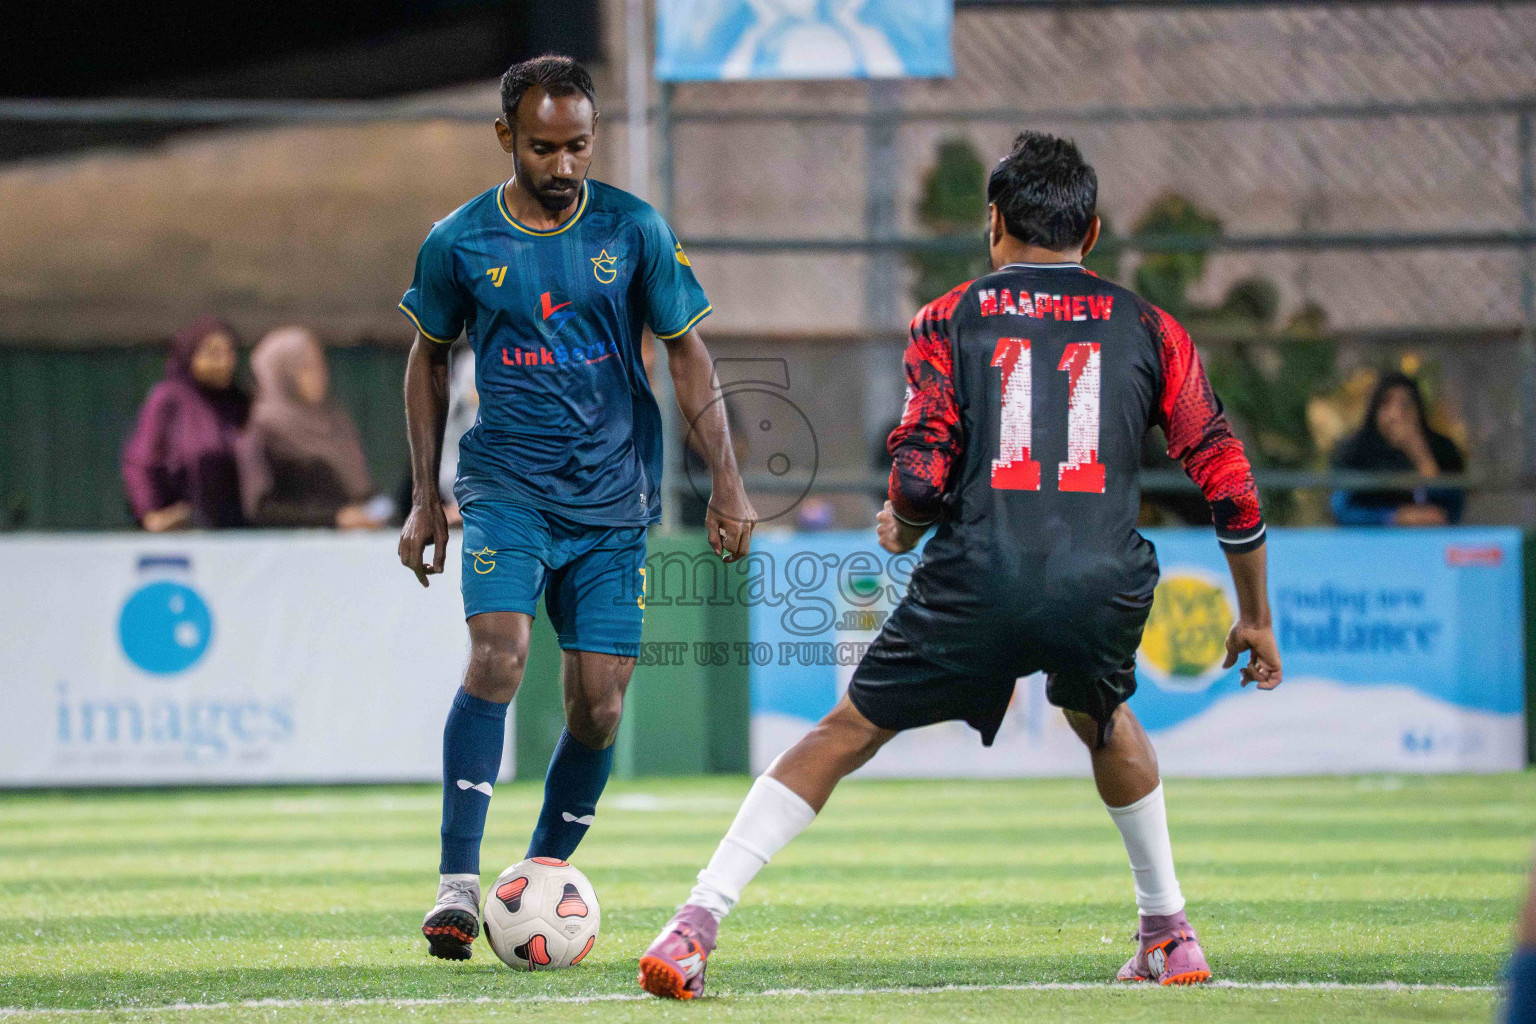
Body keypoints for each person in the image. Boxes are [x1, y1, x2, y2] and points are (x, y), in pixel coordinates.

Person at [638, 132, 1283, 999]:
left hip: (984, 572)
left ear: (993, 224)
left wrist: (903, 527)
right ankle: (1169, 932)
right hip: (1103, 579)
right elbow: (1226, 474)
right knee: (1105, 717)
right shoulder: (1152, 328)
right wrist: (1256, 615)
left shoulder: (948, 319)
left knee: (847, 732)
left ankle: (694, 925)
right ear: (1091, 233)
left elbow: (922, 470)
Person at [395, 55, 754, 961]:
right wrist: (423, 497)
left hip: (610, 499)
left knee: (599, 706)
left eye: (580, 148)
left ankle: (538, 880)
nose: (564, 167)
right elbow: (428, 358)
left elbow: (687, 354)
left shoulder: (634, 229)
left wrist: (729, 480)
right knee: (499, 653)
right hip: (506, 490)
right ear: (507, 137)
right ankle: (458, 883)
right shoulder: (459, 241)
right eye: (545, 148)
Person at [237, 327, 391, 529]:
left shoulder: (335, 422)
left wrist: (382, 511)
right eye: (305, 367)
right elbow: (260, 508)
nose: (319, 375)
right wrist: (335, 518)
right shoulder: (262, 429)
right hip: (291, 552)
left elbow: (364, 492)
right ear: (279, 372)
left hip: (351, 547)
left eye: (320, 365)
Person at [122, 316, 249, 531]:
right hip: (182, 530)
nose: (224, 362)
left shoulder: (239, 402)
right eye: (213, 354)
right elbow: (141, 461)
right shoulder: (169, 398)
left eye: (229, 353)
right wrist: (150, 514)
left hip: (235, 532)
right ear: (190, 355)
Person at [1330, 371, 1465, 526]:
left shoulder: (1442, 448)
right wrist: (1393, 517)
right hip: (1373, 543)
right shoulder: (1354, 451)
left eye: (1405, 405)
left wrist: (1421, 455)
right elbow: (1343, 510)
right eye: (1386, 404)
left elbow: (1453, 507)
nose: (1396, 415)